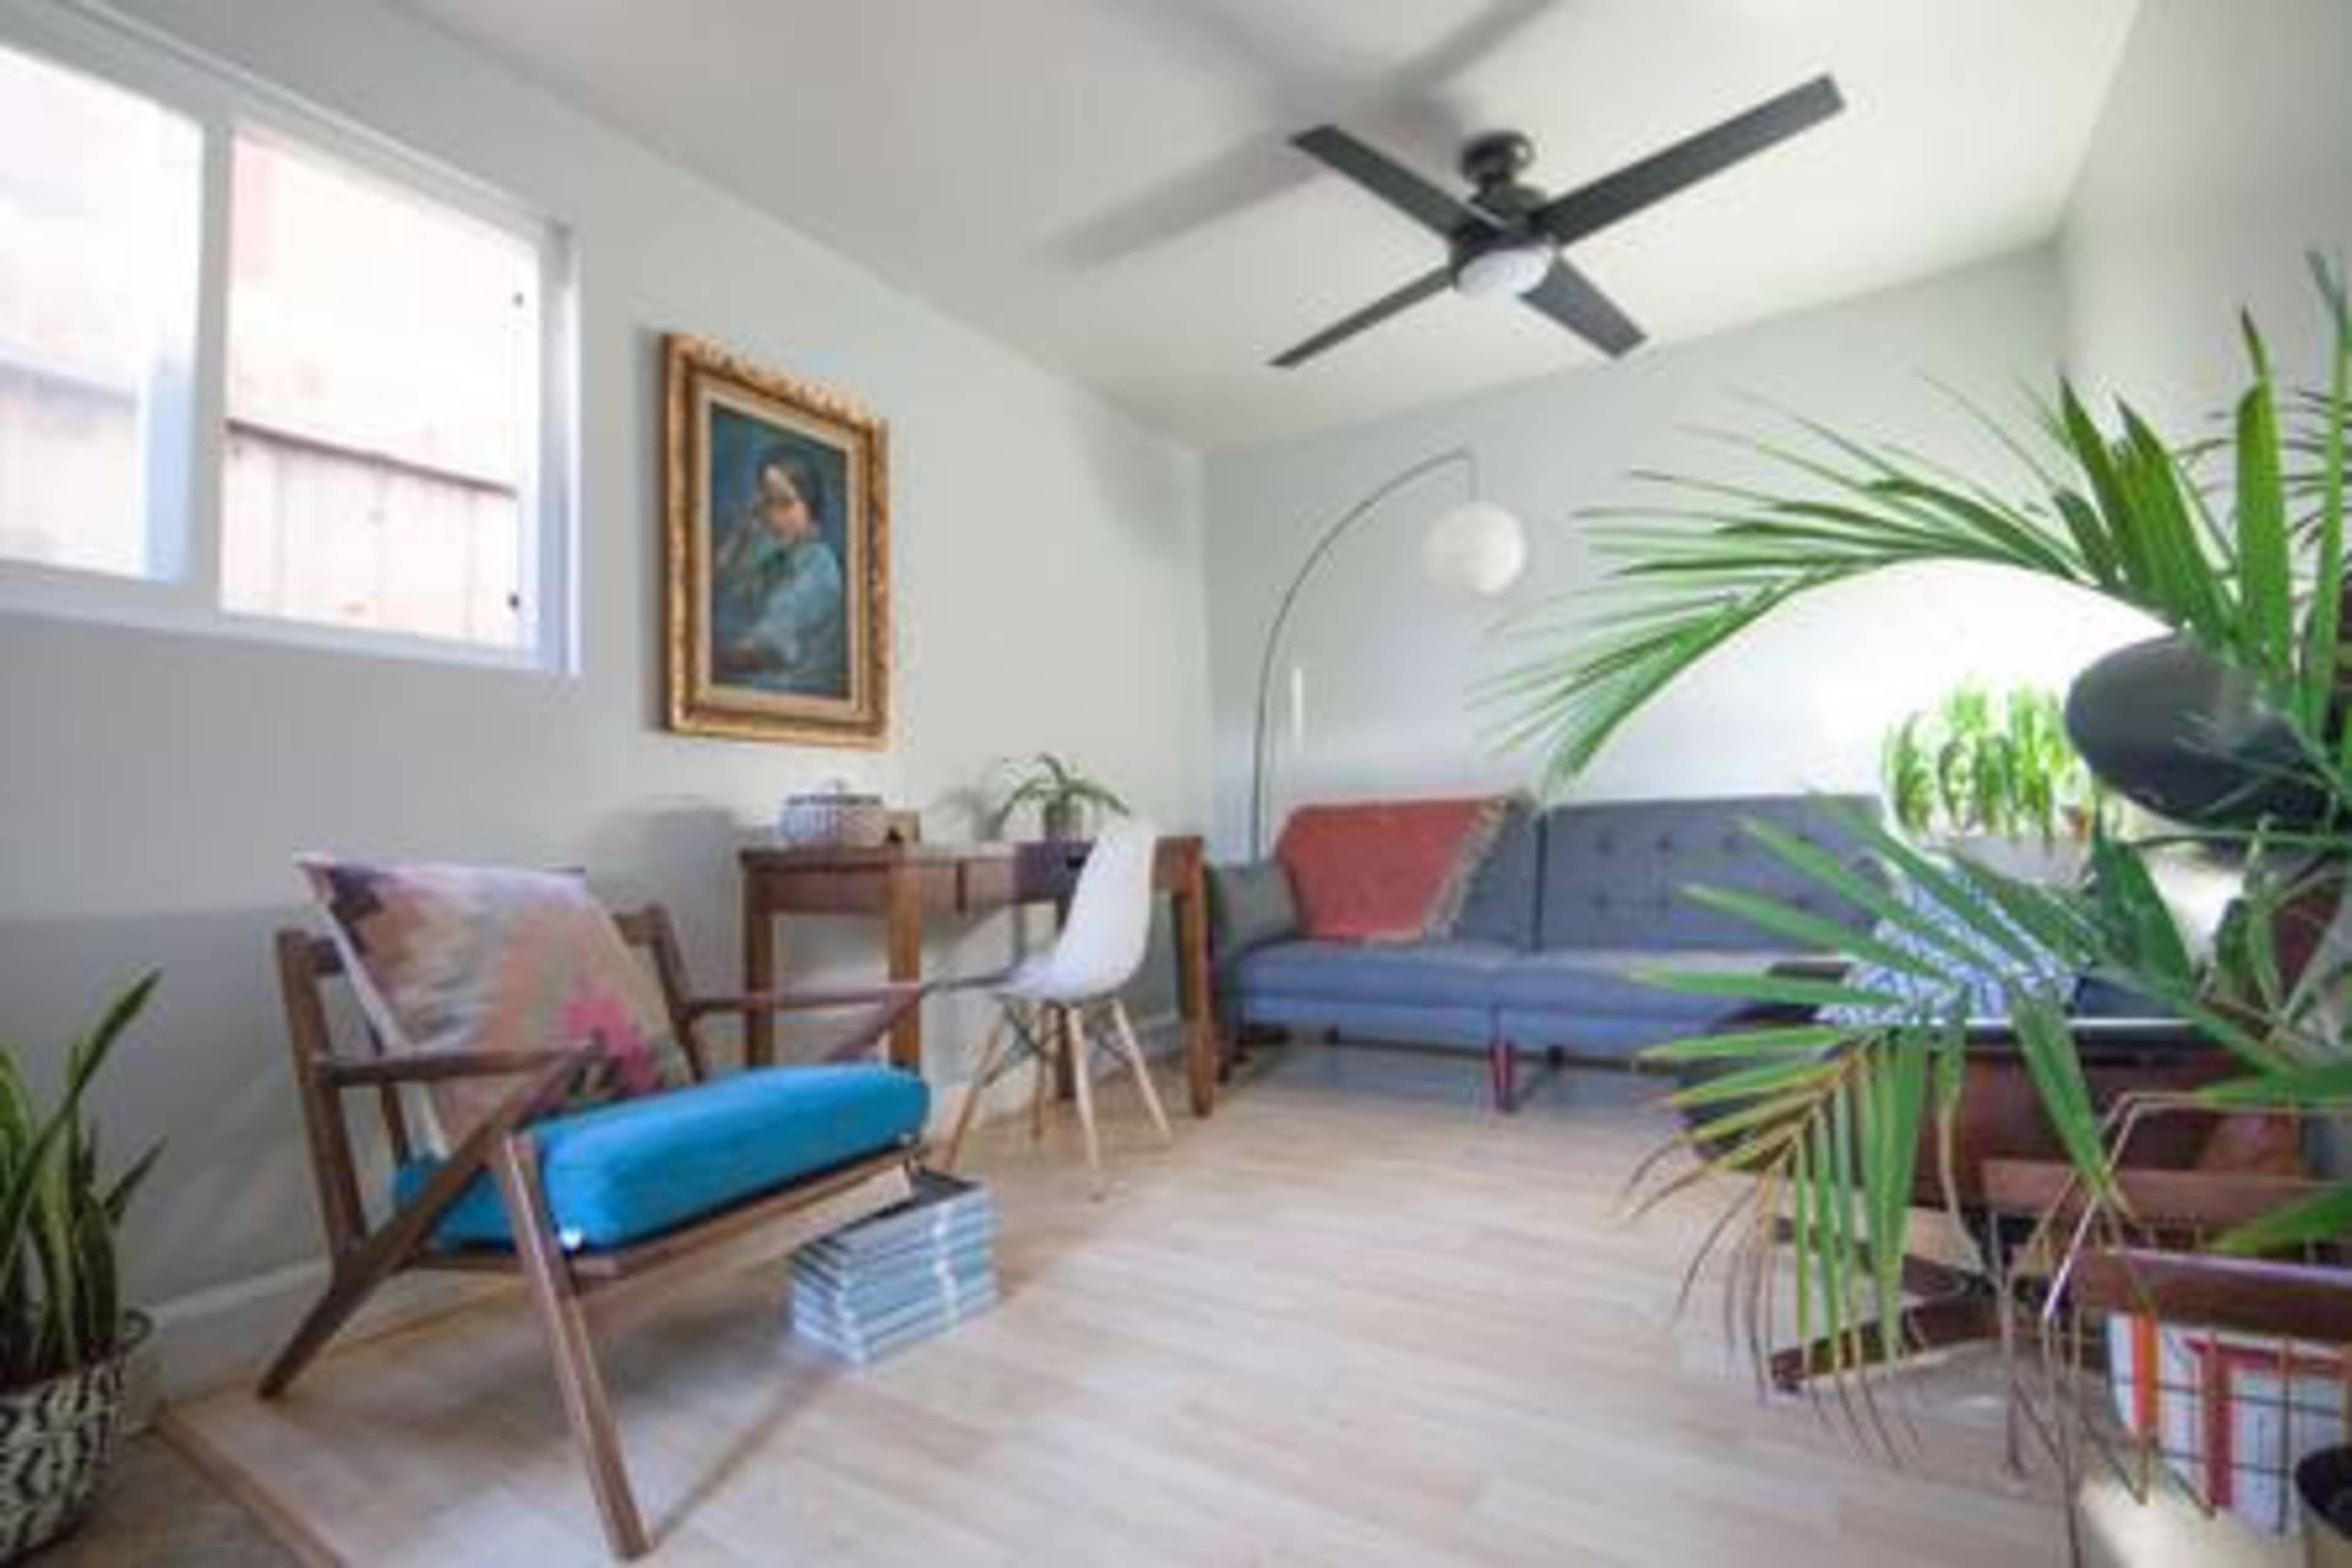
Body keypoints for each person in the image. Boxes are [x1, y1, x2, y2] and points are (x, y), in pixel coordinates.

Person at [712, 445, 848, 696]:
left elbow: (768, 648)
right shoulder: (777, 557)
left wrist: (699, 658)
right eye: (768, 503)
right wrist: (740, 534)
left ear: (810, 505)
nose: (774, 517)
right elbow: (722, 585)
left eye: (786, 504)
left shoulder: (819, 566)